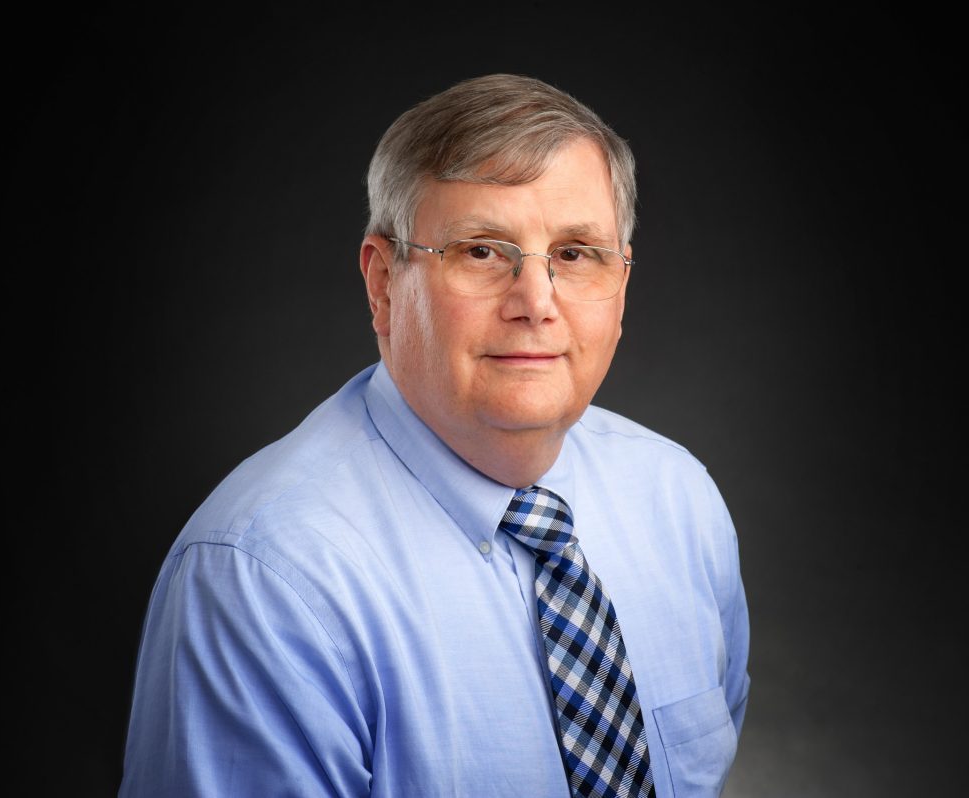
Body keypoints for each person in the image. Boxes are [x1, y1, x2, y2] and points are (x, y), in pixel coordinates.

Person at [119, 73, 749, 798]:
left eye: (575, 254)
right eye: (482, 251)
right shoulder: (267, 580)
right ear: (384, 284)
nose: (536, 303)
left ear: (623, 286)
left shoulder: (679, 503)